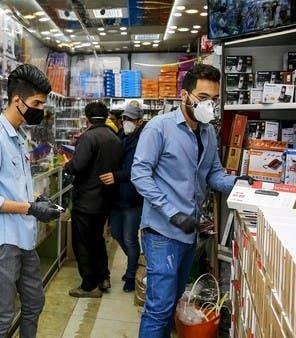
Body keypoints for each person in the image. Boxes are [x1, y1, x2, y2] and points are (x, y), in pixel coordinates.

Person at [131, 64, 253, 338]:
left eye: (213, 99)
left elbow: (214, 174)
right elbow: (139, 175)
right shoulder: (158, 128)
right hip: (162, 232)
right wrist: (172, 213)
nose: (208, 105)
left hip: (189, 233)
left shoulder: (208, 132)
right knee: (159, 308)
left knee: (172, 302)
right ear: (183, 95)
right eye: (202, 97)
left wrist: (239, 182)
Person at [0, 64, 62, 338]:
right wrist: (30, 208)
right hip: (2, 245)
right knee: (2, 316)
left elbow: (12, 186)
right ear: (16, 100)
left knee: (35, 302)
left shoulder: (18, 138)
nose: (40, 110)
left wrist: (37, 199)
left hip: (23, 237)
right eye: (36, 103)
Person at [64, 101, 123, 298]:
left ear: (87, 118)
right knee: (97, 239)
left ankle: (89, 285)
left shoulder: (89, 137)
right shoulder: (114, 137)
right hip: (104, 199)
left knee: (82, 243)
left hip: (86, 200)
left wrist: (67, 165)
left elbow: (78, 166)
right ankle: (103, 277)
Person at [99, 104, 146, 293]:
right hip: (116, 196)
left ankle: (130, 274)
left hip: (132, 197)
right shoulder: (121, 137)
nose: (127, 122)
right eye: (125, 119)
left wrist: (117, 176)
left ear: (139, 121)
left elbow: (140, 170)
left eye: (131, 120)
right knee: (117, 233)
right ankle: (136, 263)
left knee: (130, 238)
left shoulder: (143, 142)